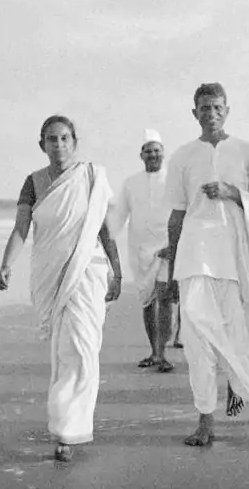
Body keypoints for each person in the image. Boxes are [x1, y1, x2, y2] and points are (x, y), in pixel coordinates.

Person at [0, 115, 122, 462]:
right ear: (42, 145)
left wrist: (118, 270)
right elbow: (21, 229)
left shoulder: (93, 176)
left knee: (82, 348)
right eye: (52, 139)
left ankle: (69, 429)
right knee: (64, 350)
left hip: (88, 272)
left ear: (74, 142)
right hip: (49, 275)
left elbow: (105, 230)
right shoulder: (33, 182)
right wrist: (6, 264)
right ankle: (66, 423)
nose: (59, 145)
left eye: (65, 138)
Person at [165, 82, 249, 447]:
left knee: (232, 331)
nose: (210, 113)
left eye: (217, 107)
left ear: (227, 110)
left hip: (232, 255)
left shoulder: (247, 151)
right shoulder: (181, 156)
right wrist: (169, 276)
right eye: (204, 107)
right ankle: (205, 420)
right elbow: (176, 216)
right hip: (194, 254)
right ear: (194, 112)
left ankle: (237, 383)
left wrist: (231, 192)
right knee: (195, 338)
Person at [111, 129, 175, 373]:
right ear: (141, 155)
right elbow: (118, 217)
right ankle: (154, 351)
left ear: (163, 154)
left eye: (156, 151)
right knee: (147, 302)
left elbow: (184, 213)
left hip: (166, 249)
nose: (152, 155)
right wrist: (101, 241)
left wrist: (176, 244)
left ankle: (163, 352)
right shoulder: (130, 183)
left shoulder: (173, 179)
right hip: (139, 251)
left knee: (164, 299)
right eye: (148, 152)